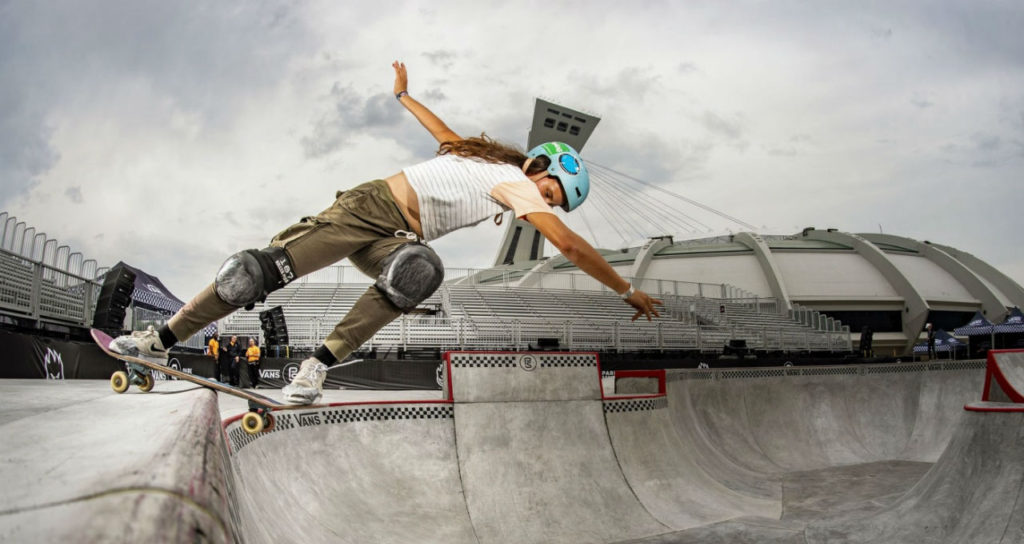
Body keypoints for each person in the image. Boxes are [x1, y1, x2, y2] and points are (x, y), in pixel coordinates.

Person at [109, 61, 663, 405]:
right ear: (539, 169)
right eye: (550, 195)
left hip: (395, 236)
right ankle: (158, 340)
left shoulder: (479, 163)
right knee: (249, 275)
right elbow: (567, 244)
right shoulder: (511, 179)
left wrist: (404, 97)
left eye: (553, 203)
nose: (544, 206)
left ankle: (313, 368)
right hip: (365, 208)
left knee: (417, 271)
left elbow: (441, 131)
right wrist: (625, 290)